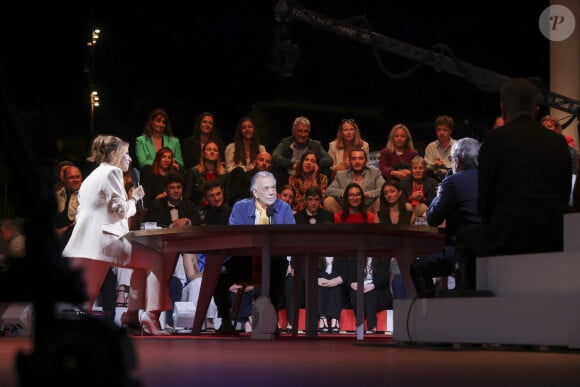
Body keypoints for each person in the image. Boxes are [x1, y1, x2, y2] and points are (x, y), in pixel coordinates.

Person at [62, 135, 173, 336]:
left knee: (83, 306)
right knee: (156, 259)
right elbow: (120, 210)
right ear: (114, 154)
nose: (130, 159)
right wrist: (134, 199)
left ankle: (131, 316)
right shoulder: (112, 171)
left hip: (83, 245)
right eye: (127, 154)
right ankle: (151, 315)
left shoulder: (90, 177)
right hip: (105, 242)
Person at [477, 78, 571, 256]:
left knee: (466, 238)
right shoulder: (558, 142)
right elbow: (564, 194)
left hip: (507, 239)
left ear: (503, 110)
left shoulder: (494, 139)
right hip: (553, 237)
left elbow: (485, 201)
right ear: (536, 110)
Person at [410, 138, 481, 297]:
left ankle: (429, 316)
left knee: (417, 268)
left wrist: (439, 193)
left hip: (462, 251)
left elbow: (432, 219)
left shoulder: (452, 181)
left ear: (457, 161)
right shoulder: (490, 178)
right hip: (490, 250)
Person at [271, 116, 333, 188]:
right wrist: (293, 165)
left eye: (306, 131)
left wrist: (315, 164)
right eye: (300, 131)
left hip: (308, 177)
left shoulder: (315, 145)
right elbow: (275, 156)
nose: (303, 134)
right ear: (293, 131)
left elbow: (329, 160)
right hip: (288, 177)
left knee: (328, 170)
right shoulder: (286, 143)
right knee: (275, 168)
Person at [324, 148, 384, 214]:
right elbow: (328, 191)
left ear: (366, 161)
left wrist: (368, 194)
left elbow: (383, 189)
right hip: (346, 209)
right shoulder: (341, 175)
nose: (357, 161)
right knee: (329, 201)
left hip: (367, 208)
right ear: (350, 161)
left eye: (360, 158)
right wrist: (345, 193)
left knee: (378, 200)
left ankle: (374, 222)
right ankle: (341, 222)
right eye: (353, 159)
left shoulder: (375, 173)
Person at [184, 139, 228, 207]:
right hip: (198, 210)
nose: (212, 152)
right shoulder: (193, 172)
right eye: (209, 150)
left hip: (219, 210)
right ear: (203, 153)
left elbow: (227, 199)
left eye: (215, 150)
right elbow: (187, 197)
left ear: (218, 155)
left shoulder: (225, 174)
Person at [400, 156, 439, 220]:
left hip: (424, 211)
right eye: (415, 168)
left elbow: (433, 204)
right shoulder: (403, 183)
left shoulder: (433, 183)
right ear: (411, 170)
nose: (417, 171)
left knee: (421, 208)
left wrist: (422, 199)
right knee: (407, 206)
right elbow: (400, 201)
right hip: (409, 209)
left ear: (425, 170)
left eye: (421, 168)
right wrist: (411, 198)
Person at [54, 165, 82, 250]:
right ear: (64, 180)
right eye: (71, 177)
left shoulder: (86, 194)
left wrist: (64, 231)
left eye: (78, 177)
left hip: (76, 238)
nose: (75, 180)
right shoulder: (57, 194)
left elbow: (84, 219)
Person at [424, 115, 456, 182]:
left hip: (453, 180)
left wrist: (444, 166)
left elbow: (460, 169)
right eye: (439, 130)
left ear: (450, 131)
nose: (441, 133)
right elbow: (426, 168)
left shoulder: (457, 146)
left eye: (445, 130)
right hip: (433, 180)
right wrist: (435, 165)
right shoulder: (430, 147)